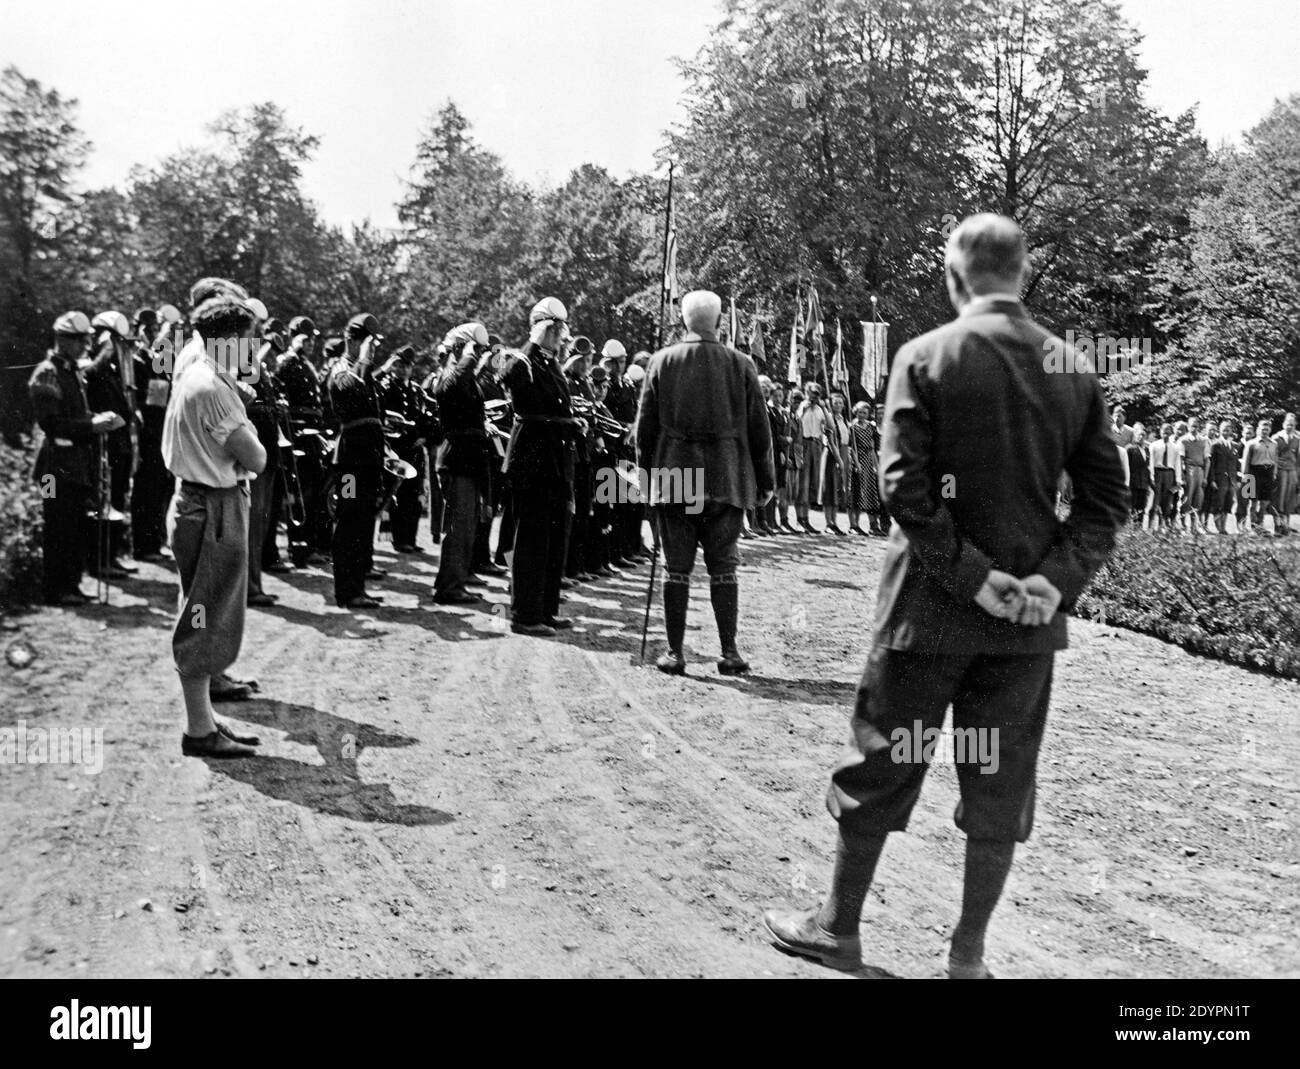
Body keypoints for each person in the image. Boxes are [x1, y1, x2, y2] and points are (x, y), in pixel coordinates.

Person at [762, 214, 1127, 978]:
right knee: (999, 785)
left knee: (884, 765)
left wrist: (970, 576)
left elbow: (904, 487)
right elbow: (1104, 503)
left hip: (926, 615)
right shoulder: (1071, 366)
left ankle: (838, 927)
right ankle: (967, 958)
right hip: (1024, 628)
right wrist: (1047, 584)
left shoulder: (925, 357)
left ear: (954, 277)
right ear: (1021, 273)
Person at [635, 290, 775, 675]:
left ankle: (675, 653)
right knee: (724, 568)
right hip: (726, 479)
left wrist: (646, 480)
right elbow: (760, 431)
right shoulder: (740, 363)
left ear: (684, 320)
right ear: (718, 323)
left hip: (675, 479)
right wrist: (765, 482)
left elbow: (643, 433)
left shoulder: (662, 361)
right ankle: (729, 652)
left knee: (675, 568)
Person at [162, 291, 267, 758]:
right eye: (249, 339)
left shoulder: (197, 370)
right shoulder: (213, 387)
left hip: (194, 502)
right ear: (229, 341)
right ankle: (199, 731)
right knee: (204, 616)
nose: (253, 347)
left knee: (201, 607)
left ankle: (203, 720)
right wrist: (247, 418)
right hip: (214, 508)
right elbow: (256, 458)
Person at [29, 312, 126, 606]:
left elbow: (76, 415)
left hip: (74, 464)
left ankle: (70, 585)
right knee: (56, 525)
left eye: (86, 339)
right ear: (61, 340)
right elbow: (51, 424)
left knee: (72, 525)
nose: (86, 344)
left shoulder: (72, 372)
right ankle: (55, 590)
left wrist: (98, 419)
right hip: (51, 468)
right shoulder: (48, 373)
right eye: (78, 340)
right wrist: (91, 426)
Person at [501, 299, 581, 634]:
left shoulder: (552, 366)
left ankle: (546, 610)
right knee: (532, 540)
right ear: (541, 329)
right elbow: (508, 377)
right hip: (532, 461)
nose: (562, 337)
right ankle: (525, 615)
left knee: (553, 539)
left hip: (555, 461)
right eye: (556, 330)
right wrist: (533, 340)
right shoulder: (523, 359)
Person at [327, 313, 386, 608]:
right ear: (351, 341)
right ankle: (346, 591)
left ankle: (358, 588)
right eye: (365, 342)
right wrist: (363, 359)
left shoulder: (363, 370)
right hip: (350, 460)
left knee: (363, 522)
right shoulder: (341, 369)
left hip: (367, 459)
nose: (371, 349)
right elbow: (353, 390)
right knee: (348, 519)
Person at [432, 323, 492, 605]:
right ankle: (449, 587)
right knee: (457, 528)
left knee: (467, 528)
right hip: (455, 460)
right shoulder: (447, 376)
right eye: (474, 349)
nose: (478, 354)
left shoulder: (468, 378)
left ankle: (454, 580)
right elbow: (452, 385)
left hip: (470, 460)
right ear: (459, 349)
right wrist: (467, 356)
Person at [84, 311, 138, 579]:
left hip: (120, 443)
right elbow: (93, 372)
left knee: (117, 499)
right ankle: (99, 559)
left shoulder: (118, 367)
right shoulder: (94, 365)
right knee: (102, 500)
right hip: (103, 444)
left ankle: (112, 556)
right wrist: (107, 348)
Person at [245, 322, 286, 606]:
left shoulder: (260, 368)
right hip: (256, 449)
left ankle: (255, 584)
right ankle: (249, 586)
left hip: (268, 450)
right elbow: (243, 404)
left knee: (261, 520)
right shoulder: (245, 365)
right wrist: (269, 409)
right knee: (253, 522)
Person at [129, 308, 172, 562]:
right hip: (147, 432)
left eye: (155, 329)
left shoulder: (154, 357)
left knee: (157, 488)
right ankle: (143, 546)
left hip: (159, 431)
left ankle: (153, 543)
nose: (153, 334)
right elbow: (157, 395)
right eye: (148, 330)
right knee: (145, 489)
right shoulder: (137, 359)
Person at [794, 383, 826, 532]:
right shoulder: (802, 406)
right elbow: (796, 421)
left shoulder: (820, 409)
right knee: (803, 484)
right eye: (812, 393)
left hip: (816, 445)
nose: (814, 396)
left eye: (817, 394)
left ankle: (806, 519)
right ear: (807, 393)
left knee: (813, 483)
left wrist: (824, 407)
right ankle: (799, 519)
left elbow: (827, 426)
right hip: (804, 443)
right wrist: (805, 407)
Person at [847, 401, 883, 535]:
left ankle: (874, 525)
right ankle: (853, 524)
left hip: (869, 460)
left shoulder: (870, 427)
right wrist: (857, 463)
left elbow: (872, 447)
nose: (862, 415)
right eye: (860, 412)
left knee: (870, 492)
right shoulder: (852, 426)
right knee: (856, 492)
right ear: (855, 412)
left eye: (865, 413)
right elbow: (852, 448)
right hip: (858, 460)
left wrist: (876, 465)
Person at [820, 392, 851, 535]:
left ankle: (835, 521)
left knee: (838, 488)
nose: (838, 405)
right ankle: (828, 523)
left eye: (840, 403)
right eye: (835, 403)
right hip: (832, 454)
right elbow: (831, 442)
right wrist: (838, 459)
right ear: (830, 405)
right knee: (829, 488)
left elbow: (847, 440)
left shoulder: (844, 420)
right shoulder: (829, 419)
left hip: (843, 453)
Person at [1242, 419, 1277, 534]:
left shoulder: (1274, 444)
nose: (1264, 431)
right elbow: (1246, 461)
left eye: (1267, 429)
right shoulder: (1251, 443)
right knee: (1252, 501)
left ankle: (1260, 525)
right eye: (1262, 429)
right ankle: (1252, 526)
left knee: (1264, 502)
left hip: (1268, 473)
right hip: (1254, 473)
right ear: (1258, 430)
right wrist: (1245, 475)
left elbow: (1275, 460)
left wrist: (1274, 474)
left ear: (1270, 430)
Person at [1206, 421, 1240, 534]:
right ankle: (1218, 527)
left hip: (1231, 480)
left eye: (1228, 430)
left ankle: (1224, 527)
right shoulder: (1216, 445)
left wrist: (1238, 480)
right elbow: (1211, 464)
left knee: (1227, 504)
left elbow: (1237, 465)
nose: (1226, 432)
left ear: (1231, 431)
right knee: (1218, 503)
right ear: (1220, 431)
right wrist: (1212, 480)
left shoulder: (1235, 445)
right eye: (1224, 430)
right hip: (1219, 479)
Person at [1177, 417, 1207, 533]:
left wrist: (1205, 476)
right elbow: (1181, 459)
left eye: (1196, 426)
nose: (1194, 428)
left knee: (1198, 498)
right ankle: (1184, 526)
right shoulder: (1183, 440)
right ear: (1188, 427)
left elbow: (1207, 459)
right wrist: (1182, 476)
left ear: (1199, 427)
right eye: (1192, 426)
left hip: (1200, 470)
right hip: (1189, 470)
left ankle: (1195, 526)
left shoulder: (1204, 440)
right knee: (1187, 498)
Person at [1272, 412, 1298, 534]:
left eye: (1292, 425)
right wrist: (1275, 471)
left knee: (1290, 497)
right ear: (1283, 424)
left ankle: (1286, 525)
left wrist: (1297, 473)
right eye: (1288, 424)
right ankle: (1278, 525)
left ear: (1295, 425)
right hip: (1280, 470)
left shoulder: (1297, 439)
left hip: (1292, 470)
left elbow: (1298, 458)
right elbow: (1274, 456)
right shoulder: (1277, 438)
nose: (1289, 427)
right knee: (1279, 498)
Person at [1148, 423, 1178, 530]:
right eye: (1164, 430)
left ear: (1171, 433)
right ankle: (1150, 526)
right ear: (1160, 432)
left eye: (1168, 431)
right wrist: (1151, 476)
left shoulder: (1175, 447)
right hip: (1157, 473)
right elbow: (1151, 463)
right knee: (1155, 500)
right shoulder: (1154, 445)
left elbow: (1177, 464)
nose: (1166, 433)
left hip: (1169, 474)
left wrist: (1178, 479)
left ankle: (1162, 526)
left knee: (1167, 500)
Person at [1124, 425, 1151, 525]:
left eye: (1143, 435)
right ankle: (1129, 528)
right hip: (1132, 482)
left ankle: (1138, 529)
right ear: (1135, 436)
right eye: (1139, 435)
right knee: (1132, 506)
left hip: (1143, 483)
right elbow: (1125, 466)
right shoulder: (1130, 449)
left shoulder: (1147, 450)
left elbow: (1149, 467)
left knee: (1142, 507)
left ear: (1146, 437)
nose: (1141, 437)